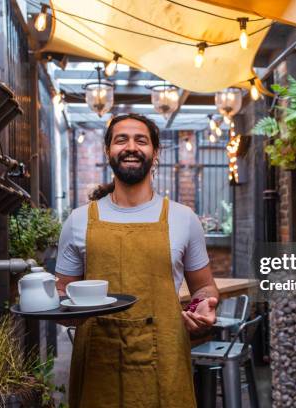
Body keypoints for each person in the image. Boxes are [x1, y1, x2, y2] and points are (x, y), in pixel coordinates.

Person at [55, 113, 219, 408]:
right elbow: (62, 293)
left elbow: (204, 288)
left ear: (155, 152)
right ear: (108, 151)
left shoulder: (184, 219)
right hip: (97, 361)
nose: (131, 147)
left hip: (165, 359)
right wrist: (59, 308)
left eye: (140, 140)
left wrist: (202, 308)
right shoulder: (78, 221)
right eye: (121, 139)